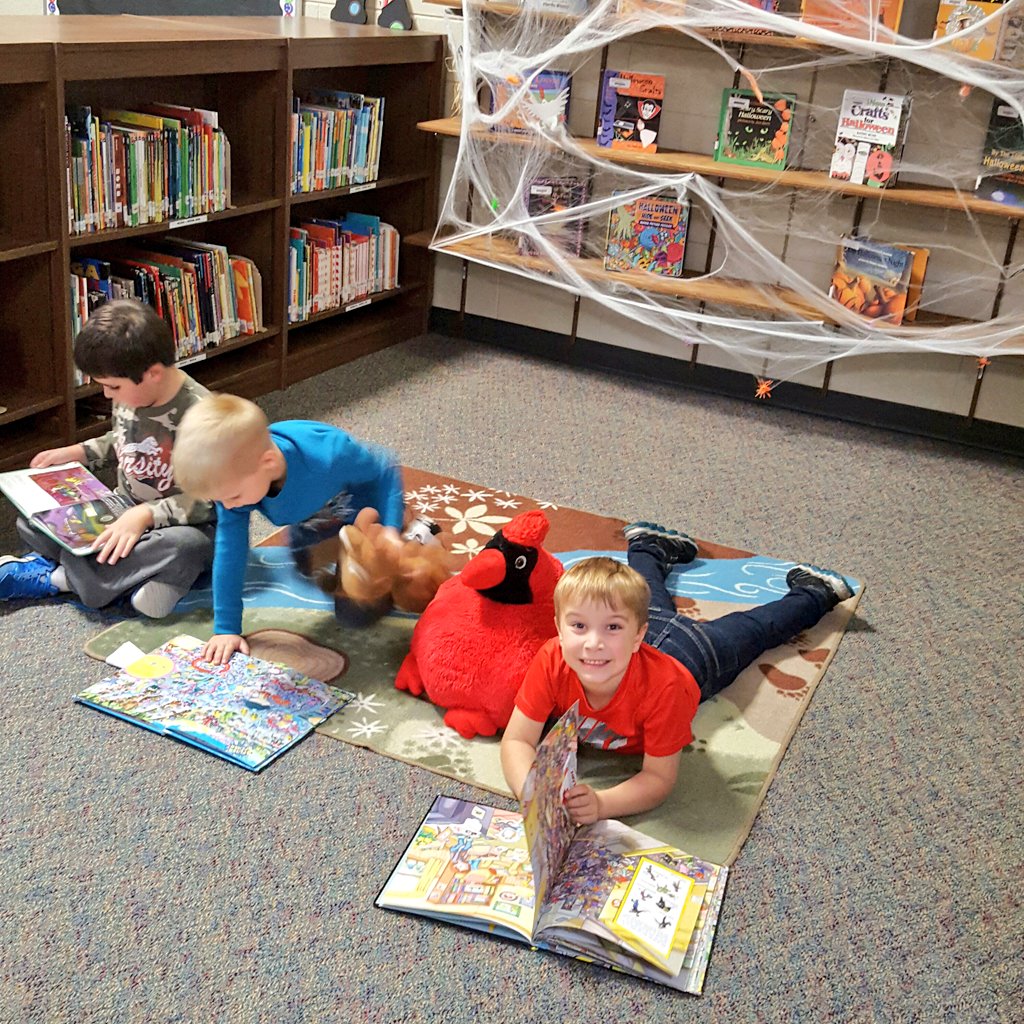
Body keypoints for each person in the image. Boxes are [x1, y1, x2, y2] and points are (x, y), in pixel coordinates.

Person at [500, 522, 854, 825]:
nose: (593, 643)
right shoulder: (552, 658)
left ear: (637, 635)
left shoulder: (665, 689)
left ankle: (815, 592)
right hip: (640, 639)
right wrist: (534, 794)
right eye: (578, 626)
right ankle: (649, 546)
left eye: (611, 627)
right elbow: (517, 741)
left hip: (693, 654)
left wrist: (603, 804)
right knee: (644, 599)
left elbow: (657, 779)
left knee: (756, 629)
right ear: (559, 630)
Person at [0, 300, 215, 616]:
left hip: (181, 526)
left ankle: (62, 579)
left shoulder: (204, 416)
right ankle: (136, 578)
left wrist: (145, 515)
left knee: (188, 548)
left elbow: (214, 499)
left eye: (112, 386)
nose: (107, 395)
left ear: (153, 373)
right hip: (119, 509)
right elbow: (125, 439)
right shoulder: (132, 392)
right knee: (33, 520)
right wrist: (80, 452)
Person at [171, 393, 405, 665]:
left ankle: (415, 534)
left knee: (354, 614)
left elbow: (385, 469)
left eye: (232, 496)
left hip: (364, 523)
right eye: (219, 500)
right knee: (304, 566)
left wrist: (390, 530)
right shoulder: (236, 482)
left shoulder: (330, 455)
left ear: (268, 463)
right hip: (313, 522)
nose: (227, 506)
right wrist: (226, 628)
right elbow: (230, 551)